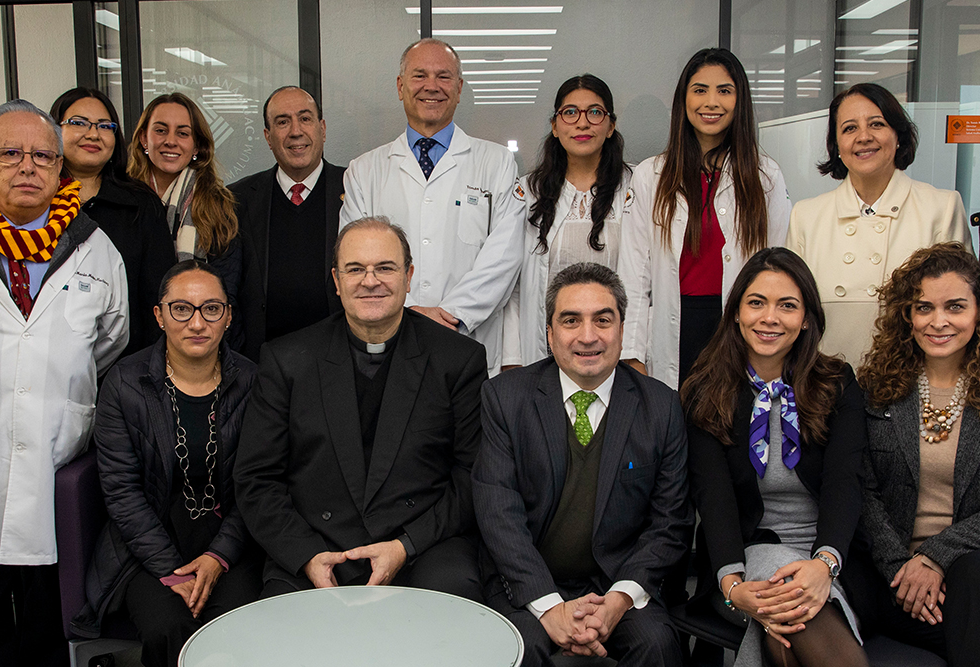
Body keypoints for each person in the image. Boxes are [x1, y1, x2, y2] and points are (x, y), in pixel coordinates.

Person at [235, 217, 487, 602]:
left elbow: (472, 475)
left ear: (408, 276)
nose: (370, 281)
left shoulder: (458, 359)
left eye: (385, 268)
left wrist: (405, 545)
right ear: (336, 281)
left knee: (453, 597)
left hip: (423, 545)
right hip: (316, 545)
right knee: (285, 624)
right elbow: (257, 477)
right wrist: (306, 555)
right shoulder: (286, 360)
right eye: (355, 269)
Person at [473, 262, 693, 666]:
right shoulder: (505, 398)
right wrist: (550, 607)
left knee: (658, 645)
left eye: (602, 320)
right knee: (519, 649)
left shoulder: (661, 407)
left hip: (617, 585)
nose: (588, 336)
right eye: (571, 320)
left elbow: (670, 522)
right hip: (529, 584)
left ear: (622, 330)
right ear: (550, 333)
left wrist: (618, 601)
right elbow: (498, 514)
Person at [0, 99, 128, 667]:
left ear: (58, 167)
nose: (28, 166)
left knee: (50, 629)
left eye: (43, 156)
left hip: (54, 473)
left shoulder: (95, 248)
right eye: (10, 153)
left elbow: (110, 340)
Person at [681, 247, 868, 667]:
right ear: (735, 313)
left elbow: (845, 483)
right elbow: (714, 497)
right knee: (792, 603)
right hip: (746, 554)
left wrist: (823, 565)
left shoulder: (836, 384)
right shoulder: (705, 390)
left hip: (833, 554)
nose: (770, 317)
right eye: (756, 303)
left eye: (787, 305)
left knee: (787, 635)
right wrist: (732, 584)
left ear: (806, 319)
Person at [72, 261, 261, 667]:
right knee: (168, 628)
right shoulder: (125, 383)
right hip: (147, 547)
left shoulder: (254, 382)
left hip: (231, 544)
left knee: (237, 629)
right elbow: (121, 491)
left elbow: (258, 484)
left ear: (228, 316)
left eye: (212, 309)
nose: (197, 322)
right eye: (181, 309)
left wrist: (218, 556)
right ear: (159, 316)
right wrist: (171, 570)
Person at [340, 38, 525, 376]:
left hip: (468, 337)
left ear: (459, 88)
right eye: (419, 75)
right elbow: (353, 258)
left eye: (443, 76)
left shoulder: (496, 162)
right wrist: (408, 313)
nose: (432, 86)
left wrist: (452, 314)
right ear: (400, 86)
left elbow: (504, 256)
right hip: (389, 339)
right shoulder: (364, 171)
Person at [618, 48, 791, 390]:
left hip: (739, 324)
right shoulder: (651, 175)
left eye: (724, 91)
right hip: (673, 327)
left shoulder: (765, 175)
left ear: (740, 101)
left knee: (733, 416)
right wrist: (632, 352)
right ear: (683, 100)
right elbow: (634, 273)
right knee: (673, 417)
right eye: (700, 90)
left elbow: (778, 264)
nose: (711, 102)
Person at [848, 242, 980, 666]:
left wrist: (935, 558)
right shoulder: (876, 389)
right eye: (924, 308)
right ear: (907, 315)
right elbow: (862, 490)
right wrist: (901, 569)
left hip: (966, 570)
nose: (938, 322)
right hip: (889, 574)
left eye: (955, 307)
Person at [786, 83, 972, 367]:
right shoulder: (806, 216)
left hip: (912, 376)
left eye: (877, 124)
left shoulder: (942, 208)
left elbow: (960, 309)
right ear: (836, 145)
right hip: (827, 377)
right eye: (849, 128)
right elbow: (791, 309)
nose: (864, 137)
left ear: (898, 135)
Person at [503, 74, 633, 370]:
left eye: (595, 112)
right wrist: (513, 359)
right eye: (570, 112)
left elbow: (644, 282)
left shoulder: (636, 187)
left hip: (613, 349)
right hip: (545, 350)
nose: (582, 123)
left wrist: (636, 352)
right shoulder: (527, 192)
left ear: (611, 126)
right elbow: (512, 288)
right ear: (555, 126)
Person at [50, 87, 176, 355]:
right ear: (53, 130)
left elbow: (158, 295)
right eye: (78, 123)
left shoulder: (140, 204)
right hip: (46, 358)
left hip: (126, 364)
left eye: (105, 126)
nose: (93, 134)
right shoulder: (35, 201)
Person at [232, 86, 346, 361]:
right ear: (268, 137)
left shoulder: (355, 189)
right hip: (261, 364)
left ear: (322, 129)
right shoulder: (237, 200)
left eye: (305, 119)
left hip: (341, 360)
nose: (296, 131)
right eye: (283, 122)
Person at [128, 92, 242, 346]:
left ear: (197, 146)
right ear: (144, 139)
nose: (170, 141)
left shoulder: (219, 207)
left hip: (201, 343)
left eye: (182, 133)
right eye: (160, 130)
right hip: (133, 345)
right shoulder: (122, 202)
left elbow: (227, 293)